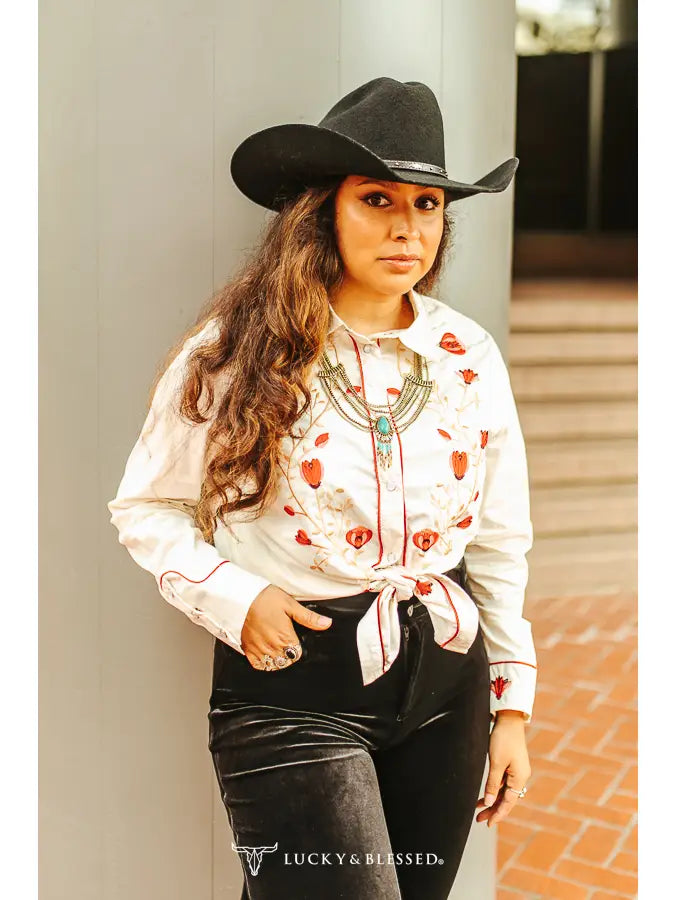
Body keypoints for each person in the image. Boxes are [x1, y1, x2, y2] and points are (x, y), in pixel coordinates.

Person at [107, 76, 537, 900]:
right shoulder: (236, 348)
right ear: (319, 211)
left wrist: (509, 707)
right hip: (295, 688)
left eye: (427, 205)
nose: (406, 228)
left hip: (448, 685)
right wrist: (232, 596)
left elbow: (498, 538)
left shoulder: (466, 352)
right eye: (377, 199)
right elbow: (147, 505)